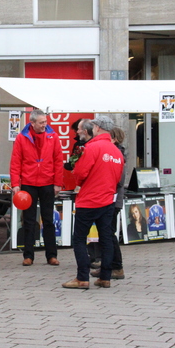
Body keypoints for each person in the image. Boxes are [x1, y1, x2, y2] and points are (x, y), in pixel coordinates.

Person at [63, 116, 123, 289]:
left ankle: (82, 277)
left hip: (89, 200)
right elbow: (118, 178)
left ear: (97, 128)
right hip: (107, 200)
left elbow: (80, 173)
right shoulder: (116, 151)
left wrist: (78, 177)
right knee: (106, 239)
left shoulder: (92, 147)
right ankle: (105, 277)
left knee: (79, 239)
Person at [10, 109, 63, 266]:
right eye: (41, 123)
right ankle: (28, 255)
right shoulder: (21, 137)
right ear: (32, 123)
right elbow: (15, 162)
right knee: (29, 220)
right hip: (28, 183)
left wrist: (57, 183)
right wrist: (15, 184)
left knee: (48, 220)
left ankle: (51, 255)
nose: (44, 125)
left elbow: (58, 160)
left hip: (47, 182)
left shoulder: (53, 136)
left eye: (45, 122)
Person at [91, 126, 126, 280]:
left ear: (115, 139)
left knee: (109, 234)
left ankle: (116, 266)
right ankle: (108, 264)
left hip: (113, 199)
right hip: (109, 198)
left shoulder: (118, 154)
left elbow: (118, 180)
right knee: (106, 233)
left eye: (109, 137)